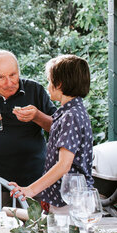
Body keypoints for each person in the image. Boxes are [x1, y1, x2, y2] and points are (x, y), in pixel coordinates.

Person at [0, 50, 56, 208]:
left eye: (13, 75)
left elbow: (57, 128)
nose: (9, 83)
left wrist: (37, 116)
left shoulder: (35, 90)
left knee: (36, 230)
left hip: (34, 183)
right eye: (1, 77)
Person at [9, 55, 93, 211]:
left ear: (59, 84)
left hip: (71, 201)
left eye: (49, 81)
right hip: (67, 199)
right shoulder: (70, 112)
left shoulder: (71, 116)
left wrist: (30, 190)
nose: (48, 87)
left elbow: (63, 165)